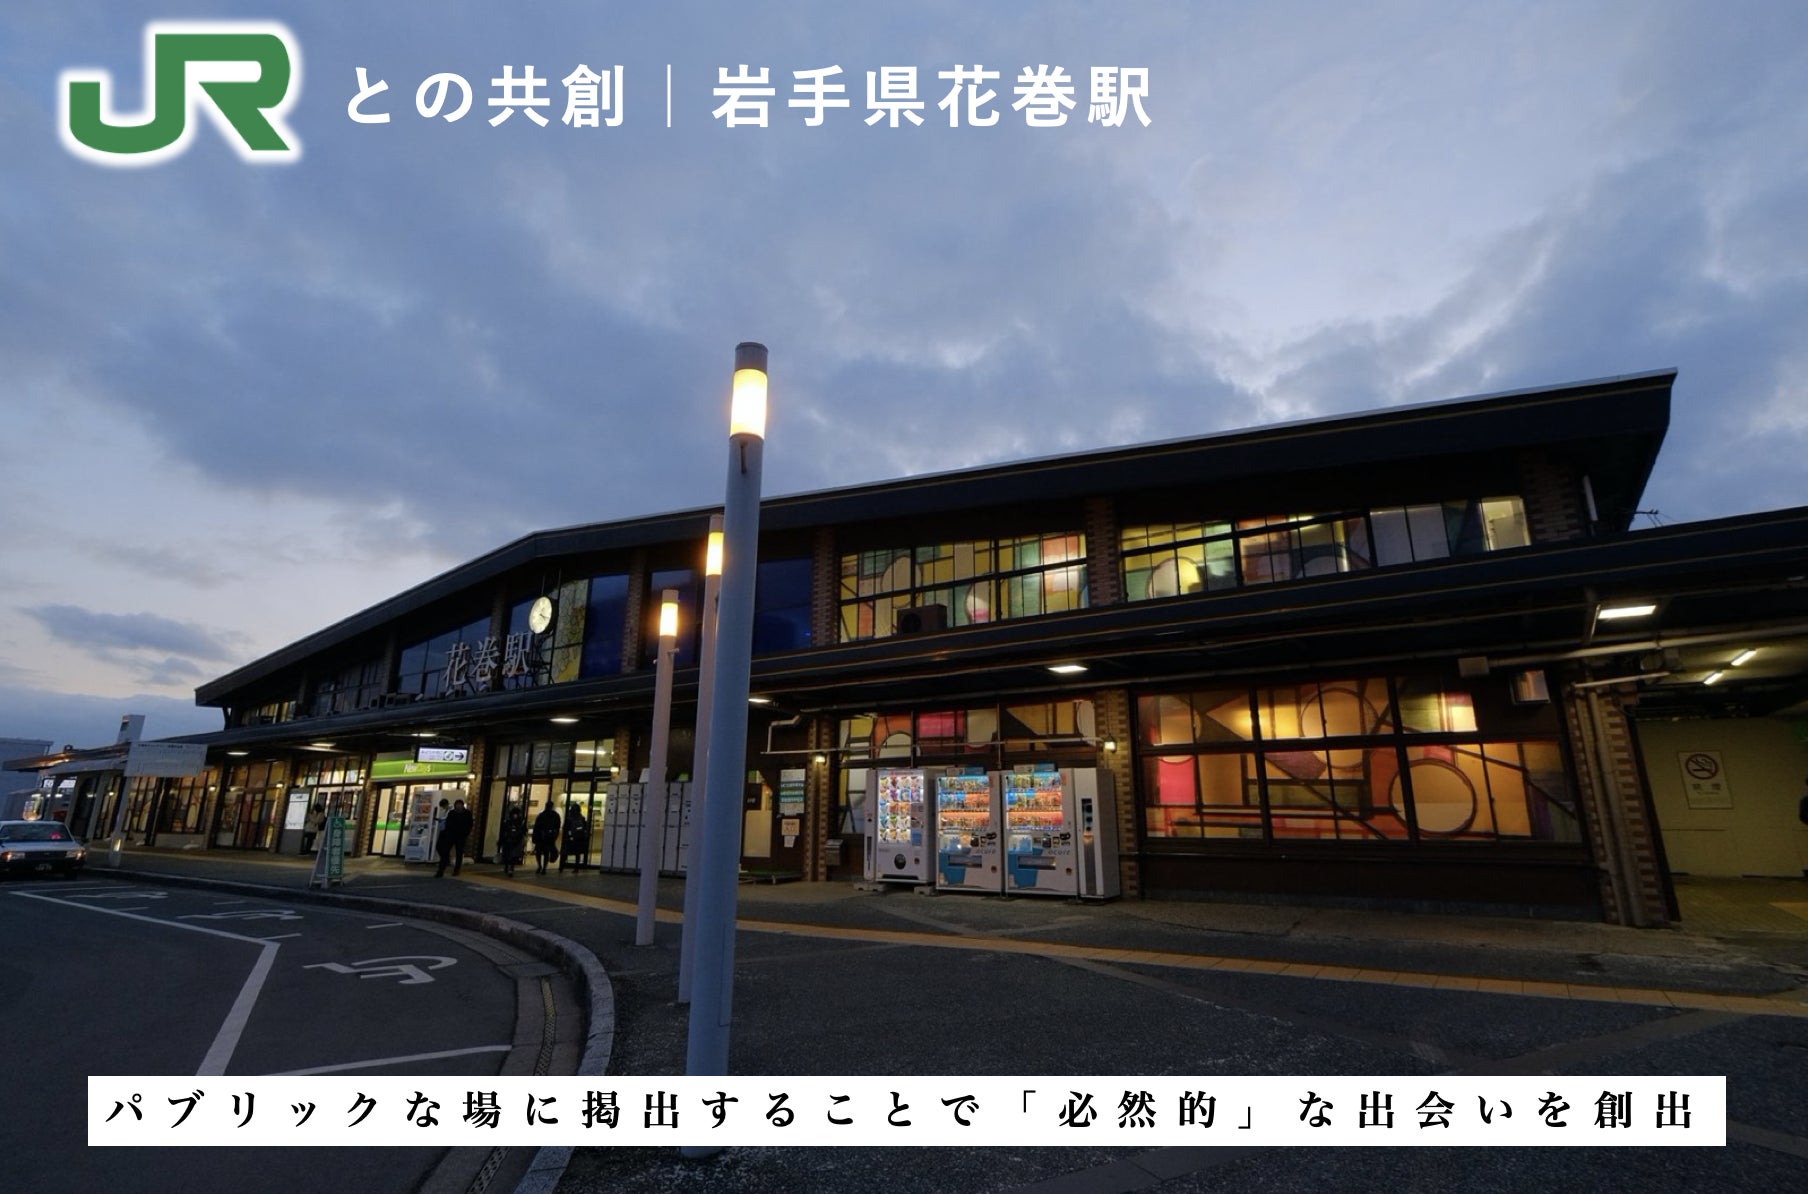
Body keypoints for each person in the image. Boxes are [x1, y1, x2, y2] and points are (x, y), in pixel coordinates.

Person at [436, 797, 473, 877]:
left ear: (462, 805)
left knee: (459, 853)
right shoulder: (452, 813)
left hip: (461, 836)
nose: (458, 806)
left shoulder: (467, 813)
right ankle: (441, 870)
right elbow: (448, 823)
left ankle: (456, 870)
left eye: (460, 805)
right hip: (451, 835)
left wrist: (465, 833)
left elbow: (470, 824)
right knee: (445, 851)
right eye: (457, 805)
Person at [498, 801, 527, 878]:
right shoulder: (511, 822)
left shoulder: (518, 822)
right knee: (509, 855)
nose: (515, 816)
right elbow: (503, 831)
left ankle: (510, 868)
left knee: (512, 855)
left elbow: (523, 831)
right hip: (510, 840)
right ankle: (508, 867)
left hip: (515, 841)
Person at [532, 802, 561, 875]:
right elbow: (557, 827)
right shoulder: (555, 815)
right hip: (548, 838)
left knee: (539, 852)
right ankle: (543, 867)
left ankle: (540, 866)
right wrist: (554, 836)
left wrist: (535, 838)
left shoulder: (541, 815)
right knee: (546, 853)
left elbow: (536, 827)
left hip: (542, 837)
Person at [560, 802, 589, 873]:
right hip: (579, 838)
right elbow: (585, 827)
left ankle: (562, 866)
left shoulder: (569, 818)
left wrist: (568, 836)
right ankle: (576, 868)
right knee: (577, 853)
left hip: (570, 838)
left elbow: (565, 828)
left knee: (565, 852)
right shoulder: (581, 818)